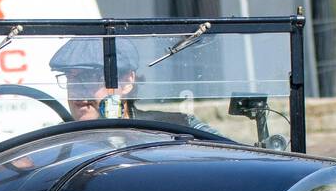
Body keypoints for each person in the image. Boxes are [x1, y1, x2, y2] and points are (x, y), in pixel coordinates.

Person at [48, 36, 221, 133]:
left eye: (90, 77)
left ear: (128, 81)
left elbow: (233, 156)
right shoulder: (53, 143)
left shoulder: (179, 127)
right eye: (71, 78)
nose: (78, 90)